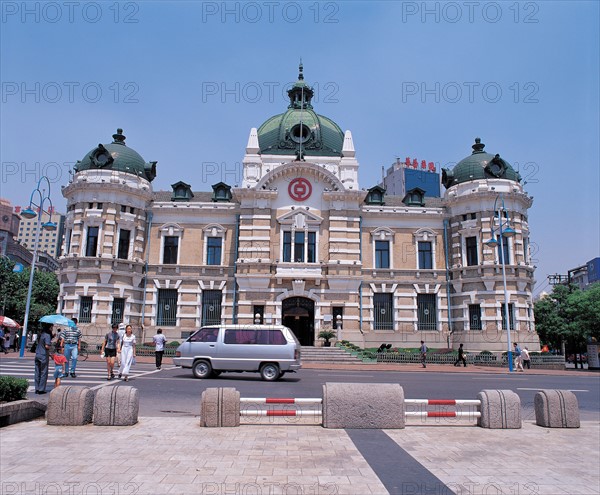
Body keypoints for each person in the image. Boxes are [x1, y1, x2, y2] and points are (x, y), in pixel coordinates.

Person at [34, 323, 53, 394]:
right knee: (44, 372)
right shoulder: (47, 335)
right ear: (50, 327)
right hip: (43, 355)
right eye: (52, 327)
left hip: (38, 354)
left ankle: (37, 388)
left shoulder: (41, 334)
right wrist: (51, 352)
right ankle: (41, 389)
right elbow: (47, 346)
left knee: (37, 372)